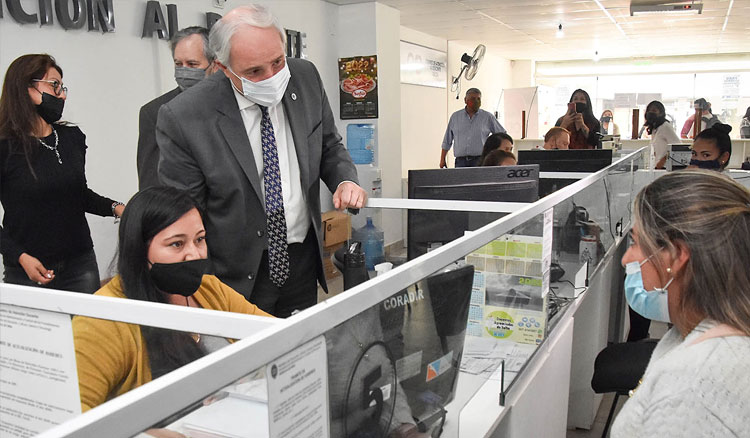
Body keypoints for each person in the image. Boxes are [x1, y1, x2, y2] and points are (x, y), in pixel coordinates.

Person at [156, 5, 366, 318]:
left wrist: (345, 179)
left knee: (299, 357)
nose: (271, 77)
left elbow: (328, 144)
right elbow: (186, 210)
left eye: (278, 62)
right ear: (224, 68)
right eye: (254, 71)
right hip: (234, 274)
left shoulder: (305, 78)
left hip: (301, 260)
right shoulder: (186, 116)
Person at [73, 187, 272, 412]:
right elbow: (71, 419)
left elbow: (277, 335)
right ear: (138, 250)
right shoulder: (102, 320)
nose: (194, 255)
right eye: (177, 244)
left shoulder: (209, 289)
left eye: (200, 240)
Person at [613, 170, 750, 437]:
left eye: (637, 243)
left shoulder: (692, 390)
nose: (626, 258)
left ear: (676, 256)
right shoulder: (699, 327)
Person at [0, 54, 124, 293]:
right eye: (54, 85)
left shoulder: (71, 138)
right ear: (26, 88)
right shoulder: (5, 147)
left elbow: (78, 195)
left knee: (84, 330)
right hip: (27, 270)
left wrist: (117, 207)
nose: (62, 94)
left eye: (62, 87)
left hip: (80, 262)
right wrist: (21, 257)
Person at [137, 26, 216, 190]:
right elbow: (151, 184)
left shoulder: (233, 103)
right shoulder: (155, 112)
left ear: (214, 64)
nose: (184, 71)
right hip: (185, 210)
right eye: (178, 64)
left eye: (192, 64)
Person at [439, 88, 505, 168]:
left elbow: (502, 135)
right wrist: (442, 159)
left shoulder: (487, 117)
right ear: (465, 100)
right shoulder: (455, 117)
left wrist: (495, 153)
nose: (476, 101)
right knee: (461, 181)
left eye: (478, 99)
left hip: (480, 160)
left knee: (480, 181)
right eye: (473, 99)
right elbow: (447, 140)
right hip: (460, 162)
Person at [643, 100, 680, 169]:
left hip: (665, 167)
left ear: (661, 113)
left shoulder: (665, 126)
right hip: (656, 167)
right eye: (649, 111)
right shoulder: (655, 128)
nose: (651, 113)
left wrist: (662, 162)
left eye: (654, 110)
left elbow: (677, 147)